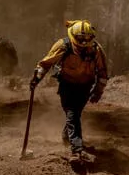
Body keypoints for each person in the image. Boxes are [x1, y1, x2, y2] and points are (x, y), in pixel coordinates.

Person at [30, 20, 108, 163]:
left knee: (75, 114)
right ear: (73, 37)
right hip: (67, 85)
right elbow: (46, 63)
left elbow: (103, 72)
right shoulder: (63, 46)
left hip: (85, 86)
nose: (84, 43)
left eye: (87, 39)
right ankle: (76, 150)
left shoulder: (96, 49)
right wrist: (37, 78)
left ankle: (67, 136)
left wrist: (98, 90)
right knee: (72, 113)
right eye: (80, 39)